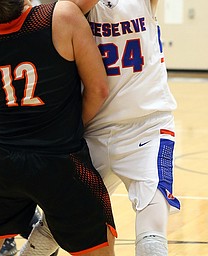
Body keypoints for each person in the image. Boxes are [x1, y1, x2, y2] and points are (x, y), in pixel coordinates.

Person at [21, 0, 181, 255]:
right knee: (55, 225)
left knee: (152, 235)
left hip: (147, 127)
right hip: (89, 130)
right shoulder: (67, 7)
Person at [0, 0, 117, 255]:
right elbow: (98, 89)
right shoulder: (61, 15)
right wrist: (71, 126)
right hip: (59, 161)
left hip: (4, 163)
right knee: (99, 246)